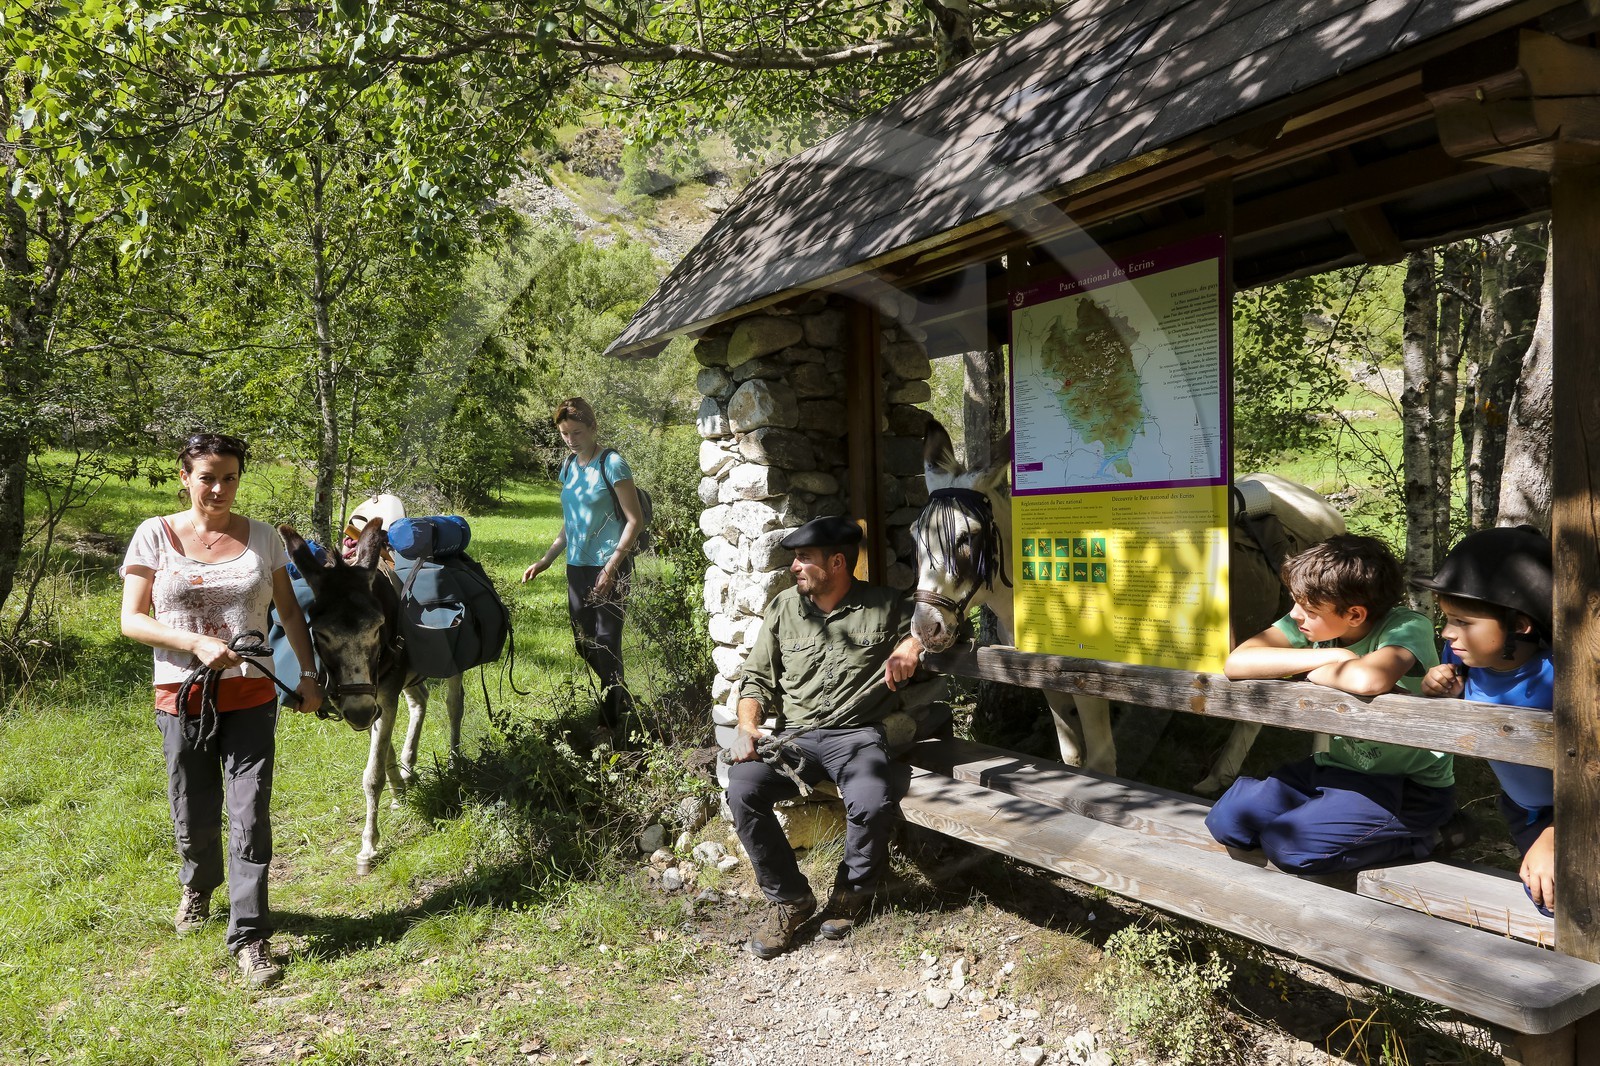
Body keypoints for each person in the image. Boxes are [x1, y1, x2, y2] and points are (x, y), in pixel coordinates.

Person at [119, 432, 323, 988]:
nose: (219, 488)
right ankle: (198, 881)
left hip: (252, 696)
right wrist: (195, 643)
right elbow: (132, 620)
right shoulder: (153, 537)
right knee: (194, 807)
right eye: (207, 476)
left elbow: (289, 611)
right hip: (181, 695)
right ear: (185, 477)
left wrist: (307, 674)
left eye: (230, 477)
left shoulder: (262, 539)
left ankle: (251, 935)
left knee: (250, 811)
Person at [725, 516, 923, 959]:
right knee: (742, 788)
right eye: (795, 558)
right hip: (794, 738)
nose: (794, 567)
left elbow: (941, 623)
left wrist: (912, 644)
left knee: (872, 801)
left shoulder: (886, 606)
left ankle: (851, 894)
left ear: (837, 563)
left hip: (856, 737)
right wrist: (748, 727)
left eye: (804, 558)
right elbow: (755, 679)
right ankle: (790, 900)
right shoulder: (782, 609)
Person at [1205, 534, 1451, 874]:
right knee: (1227, 822)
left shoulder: (1408, 626)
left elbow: (1370, 679)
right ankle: (1321, 816)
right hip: (1337, 768)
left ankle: (1430, 836)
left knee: (1287, 847)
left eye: (1307, 609)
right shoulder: (1316, 630)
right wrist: (1335, 656)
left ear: (1354, 614)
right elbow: (1237, 663)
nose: (1294, 616)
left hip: (1406, 787)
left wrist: (1312, 671)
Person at [1415, 525, 1556, 916]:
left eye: (1463, 622)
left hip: (1575, 808)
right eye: (1447, 620)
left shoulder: (1564, 677)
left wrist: (1558, 831)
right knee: (1550, 902)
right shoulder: (1463, 658)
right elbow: (1471, 696)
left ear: (1521, 625)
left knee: (1573, 901)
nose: (1448, 633)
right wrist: (1444, 688)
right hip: (1521, 808)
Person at [522, 397, 645, 741]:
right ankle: (619, 693)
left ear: (593, 428)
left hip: (610, 566)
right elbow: (570, 522)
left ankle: (609, 724)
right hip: (577, 567)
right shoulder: (569, 466)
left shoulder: (613, 464)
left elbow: (634, 520)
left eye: (576, 432)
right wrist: (547, 559)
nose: (571, 439)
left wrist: (611, 566)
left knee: (607, 644)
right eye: (564, 434)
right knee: (583, 642)